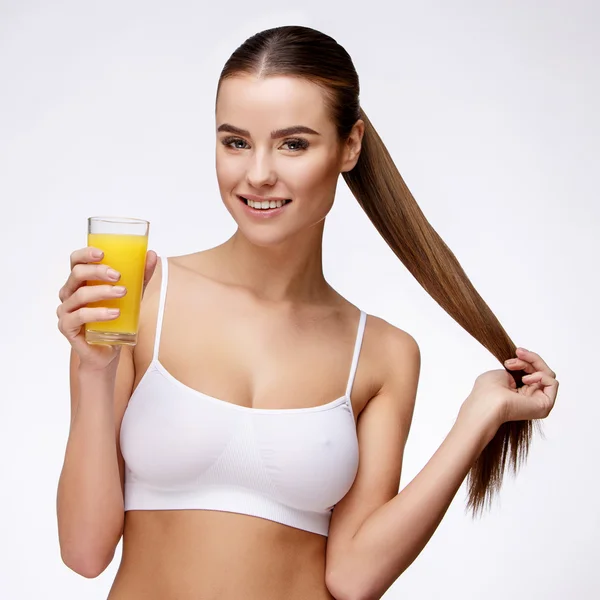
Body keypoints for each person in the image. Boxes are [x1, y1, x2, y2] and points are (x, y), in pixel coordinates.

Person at [55, 25, 559, 600]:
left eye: (293, 143)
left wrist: (479, 416)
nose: (258, 173)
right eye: (235, 142)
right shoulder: (141, 295)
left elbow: (353, 578)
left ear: (350, 145)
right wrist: (93, 373)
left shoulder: (384, 354)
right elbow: (85, 551)